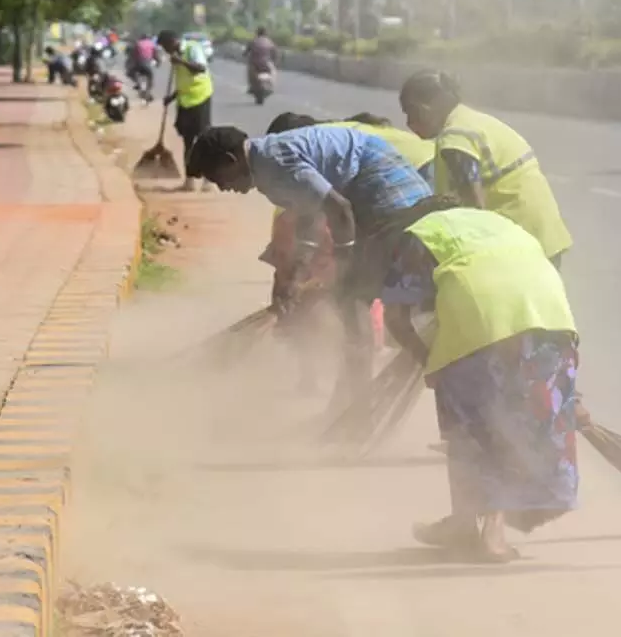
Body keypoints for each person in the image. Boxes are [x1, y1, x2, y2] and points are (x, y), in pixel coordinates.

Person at [376, 199, 583, 563]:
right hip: (553, 319)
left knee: (474, 426)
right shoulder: (505, 227)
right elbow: (519, 286)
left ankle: (489, 535)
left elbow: (395, 317)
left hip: (483, 320)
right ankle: (468, 523)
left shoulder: (421, 233)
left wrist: (428, 361)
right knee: (518, 421)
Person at [187, 124, 434, 415]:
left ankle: (355, 407)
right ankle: (350, 404)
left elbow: (339, 209)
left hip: (392, 196)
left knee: (352, 298)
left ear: (230, 160)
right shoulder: (269, 168)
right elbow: (310, 220)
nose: (222, 187)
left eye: (217, 178)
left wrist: (344, 259)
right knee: (351, 300)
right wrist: (297, 275)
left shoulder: (275, 166)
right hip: (384, 195)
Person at [399, 70, 572, 269]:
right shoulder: (473, 120)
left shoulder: (455, 139)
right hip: (542, 231)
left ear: (435, 104)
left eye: (412, 111)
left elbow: (475, 209)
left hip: (519, 240)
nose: (409, 123)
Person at [158, 30, 215, 191]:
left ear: (172, 41)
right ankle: (189, 180)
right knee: (187, 140)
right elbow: (183, 81)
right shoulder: (175, 55)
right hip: (185, 101)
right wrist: (172, 97)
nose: (166, 50)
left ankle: (208, 179)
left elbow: (200, 68)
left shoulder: (192, 49)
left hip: (201, 97)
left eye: (165, 46)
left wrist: (181, 61)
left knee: (203, 138)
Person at [244, 26, 278, 93]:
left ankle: (251, 86)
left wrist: (245, 55)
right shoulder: (269, 42)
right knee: (273, 71)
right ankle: (271, 86)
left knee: (250, 72)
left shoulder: (253, 41)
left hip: (255, 63)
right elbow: (275, 53)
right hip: (266, 63)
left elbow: (246, 52)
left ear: (257, 33)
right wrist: (275, 61)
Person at [126, 33, 157, 101]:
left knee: (130, 73)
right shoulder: (151, 44)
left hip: (139, 64)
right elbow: (155, 54)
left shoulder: (138, 43)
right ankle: (148, 91)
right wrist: (157, 61)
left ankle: (137, 83)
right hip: (148, 65)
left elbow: (134, 55)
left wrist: (132, 62)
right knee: (150, 77)